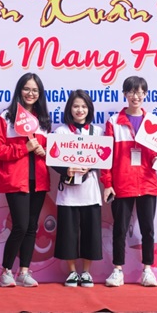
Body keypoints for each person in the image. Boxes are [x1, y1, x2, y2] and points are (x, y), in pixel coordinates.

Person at [100, 76, 157, 287]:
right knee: (119, 229)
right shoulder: (113, 122)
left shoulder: (152, 122)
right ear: (124, 94)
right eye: (131, 92)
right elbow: (106, 156)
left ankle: (148, 270)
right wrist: (107, 183)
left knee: (148, 230)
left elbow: (156, 153)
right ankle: (117, 270)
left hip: (147, 183)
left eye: (139, 92)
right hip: (122, 183)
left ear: (145, 94)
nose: (135, 96)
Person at [0, 73, 51, 287]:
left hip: (39, 180)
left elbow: (52, 152)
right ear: (19, 90)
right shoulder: (6, 117)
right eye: (27, 89)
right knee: (20, 226)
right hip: (16, 180)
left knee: (32, 226)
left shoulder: (43, 121)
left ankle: (24, 272)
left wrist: (45, 152)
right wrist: (24, 148)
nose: (30, 93)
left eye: (35, 90)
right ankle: (6, 271)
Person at [51, 90, 104, 288]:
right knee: (68, 233)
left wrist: (91, 166)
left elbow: (105, 158)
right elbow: (53, 160)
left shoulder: (97, 132)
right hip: (68, 194)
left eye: (83, 106)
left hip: (90, 192)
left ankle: (87, 272)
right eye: (76, 106)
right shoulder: (61, 132)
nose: (80, 110)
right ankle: (72, 272)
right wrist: (67, 169)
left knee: (91, 233)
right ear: (69, 109)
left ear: (89, 109)